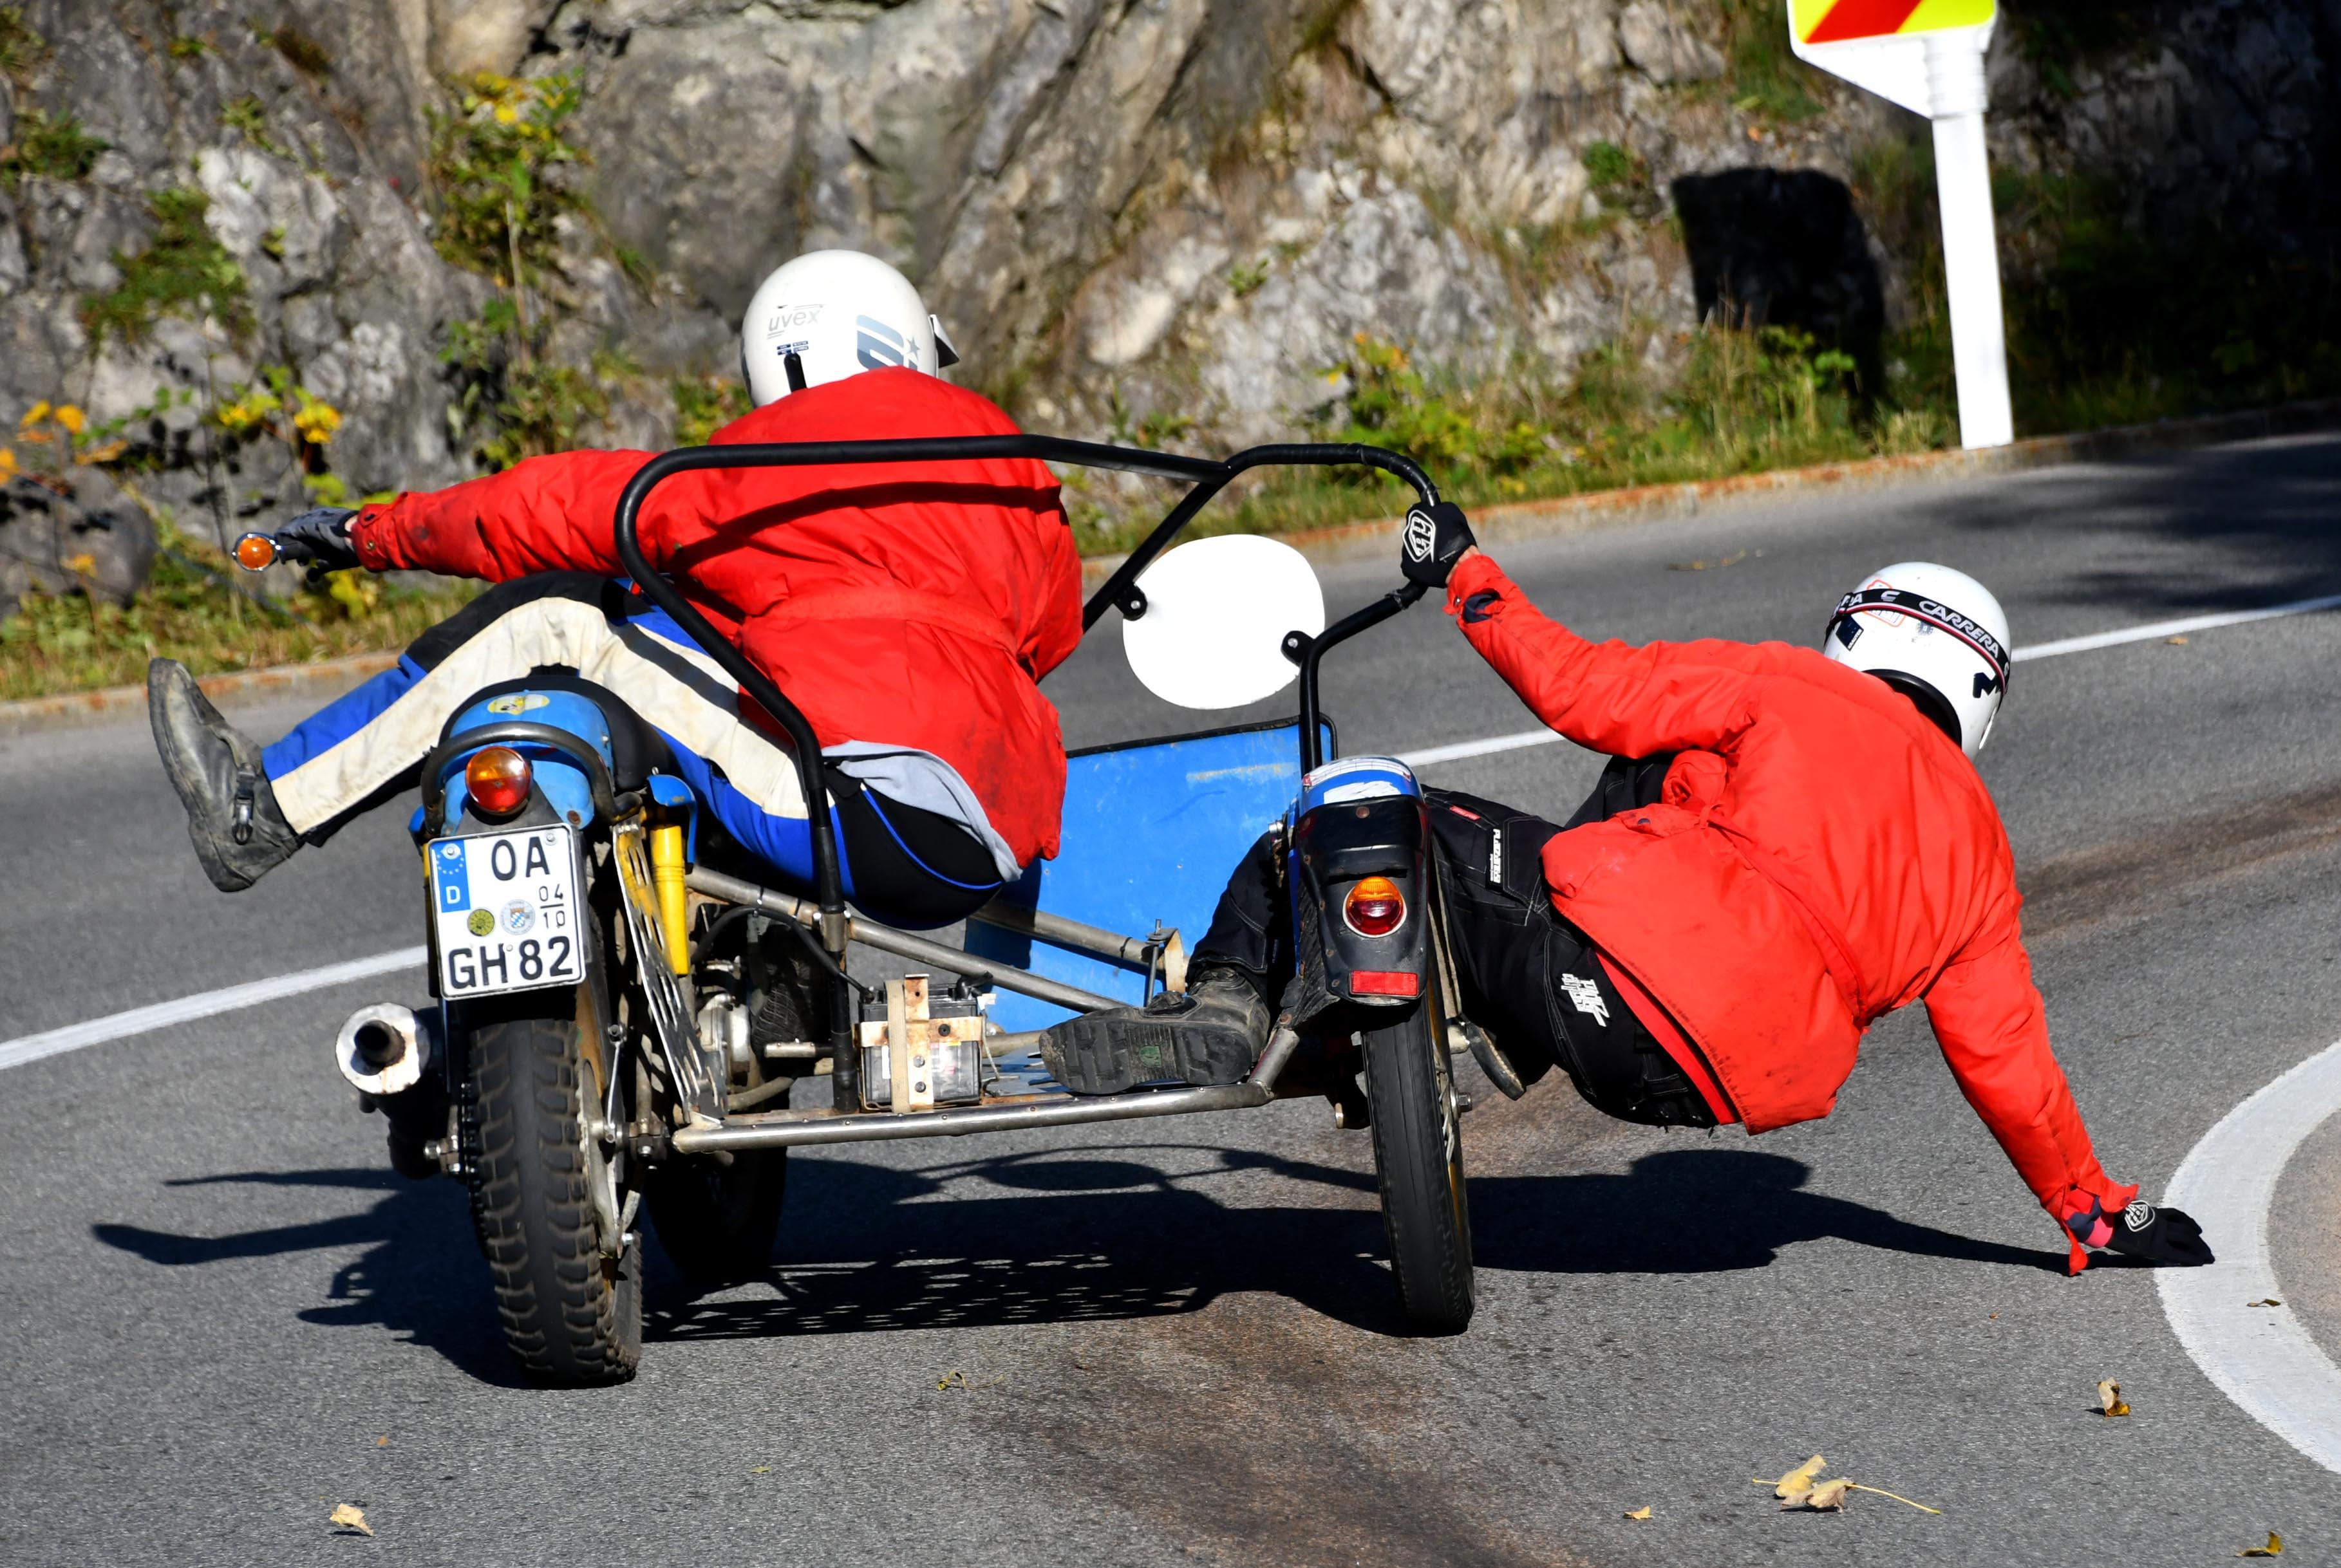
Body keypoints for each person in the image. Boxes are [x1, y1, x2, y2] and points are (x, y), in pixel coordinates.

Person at [1044, 505, 2212, 1275]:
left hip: (1608, 976)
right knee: (1643, 809)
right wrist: (2094, 1211)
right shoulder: (1982, 857)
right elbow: (2007, 1060)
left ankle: (1219, 1013)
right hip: (1711, 1092)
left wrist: (1463, 571)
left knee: (1338, 818)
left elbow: (1580, 688)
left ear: (1856, 636)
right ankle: (1466, 1021)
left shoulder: (1790, 685)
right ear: (1980, 701)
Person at [149, 249, 1082, 930]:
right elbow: (1051, 633)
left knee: (557, 616)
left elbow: (550, 506)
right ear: (911, 344)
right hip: (983, 838)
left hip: (847, 810)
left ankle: (260, 812)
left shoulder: (765, 459)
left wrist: (378, 533)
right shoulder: (1013, 467)